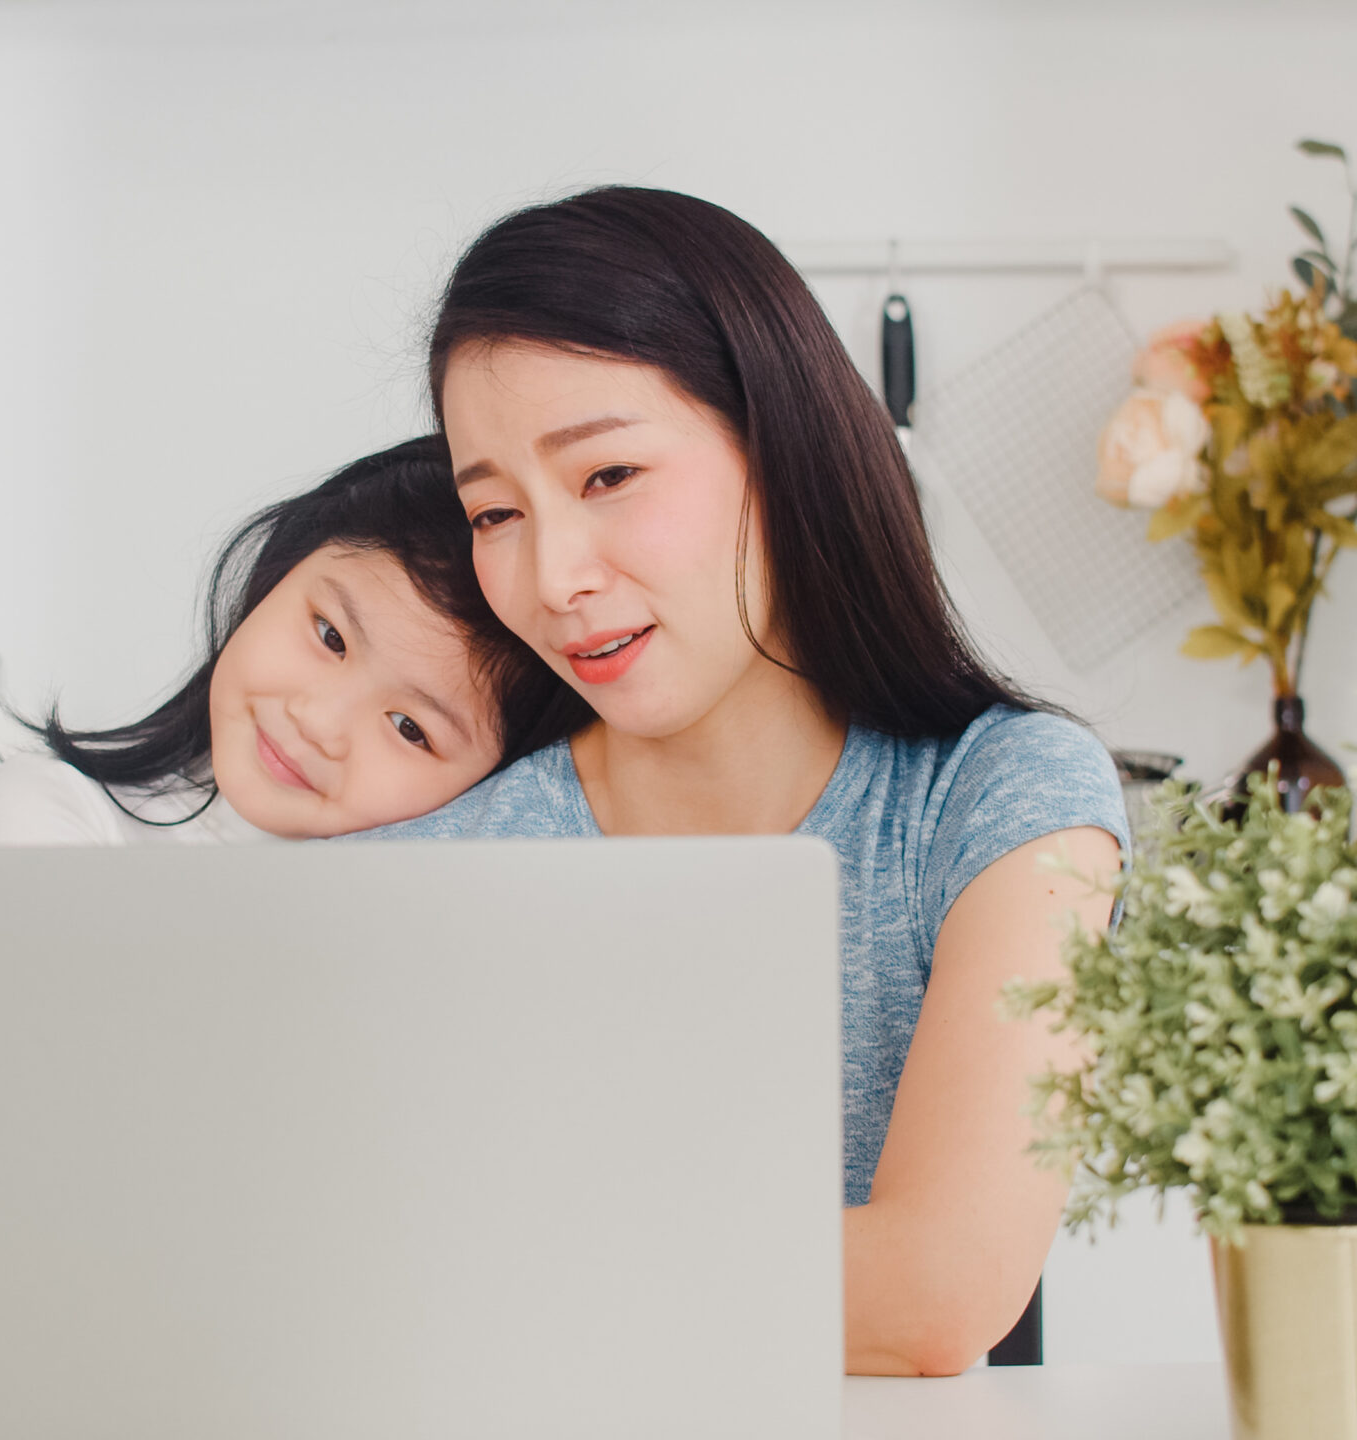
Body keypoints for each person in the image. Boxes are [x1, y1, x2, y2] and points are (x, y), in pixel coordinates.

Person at [359, 188, 1129, 1375]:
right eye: (495, 512)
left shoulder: (998, 799)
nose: (555, 575)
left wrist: (466, 1272)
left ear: (780, 448)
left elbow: (936, 1294)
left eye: (608, 475)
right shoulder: (423, 874)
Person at [0, 436, 587, 845]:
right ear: (276, 575)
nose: (318, 722)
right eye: (330, 636)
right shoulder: (55, 819)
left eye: (408, 728)